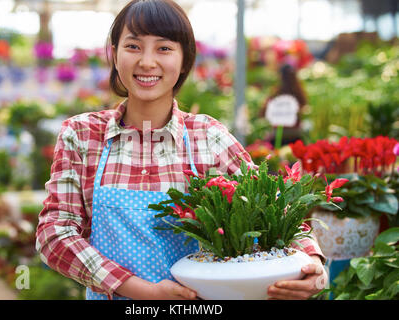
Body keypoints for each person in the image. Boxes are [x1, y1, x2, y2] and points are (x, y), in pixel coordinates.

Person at [36, 0, 326, 300]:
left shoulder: (208, 137)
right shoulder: (83, 136)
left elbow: (277, 211)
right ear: (114, 52)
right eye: (133, 46)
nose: (147, 62)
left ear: (185, 60)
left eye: (164, 48)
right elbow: (54, 235)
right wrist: (141, 291)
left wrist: (312, 263)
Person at [261, 63, 308, 146]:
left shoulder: (276, 92)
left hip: (278, 135)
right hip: (295, 134)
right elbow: (304, 109)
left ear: (280, 76)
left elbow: (263, 112)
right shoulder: (298, 92)